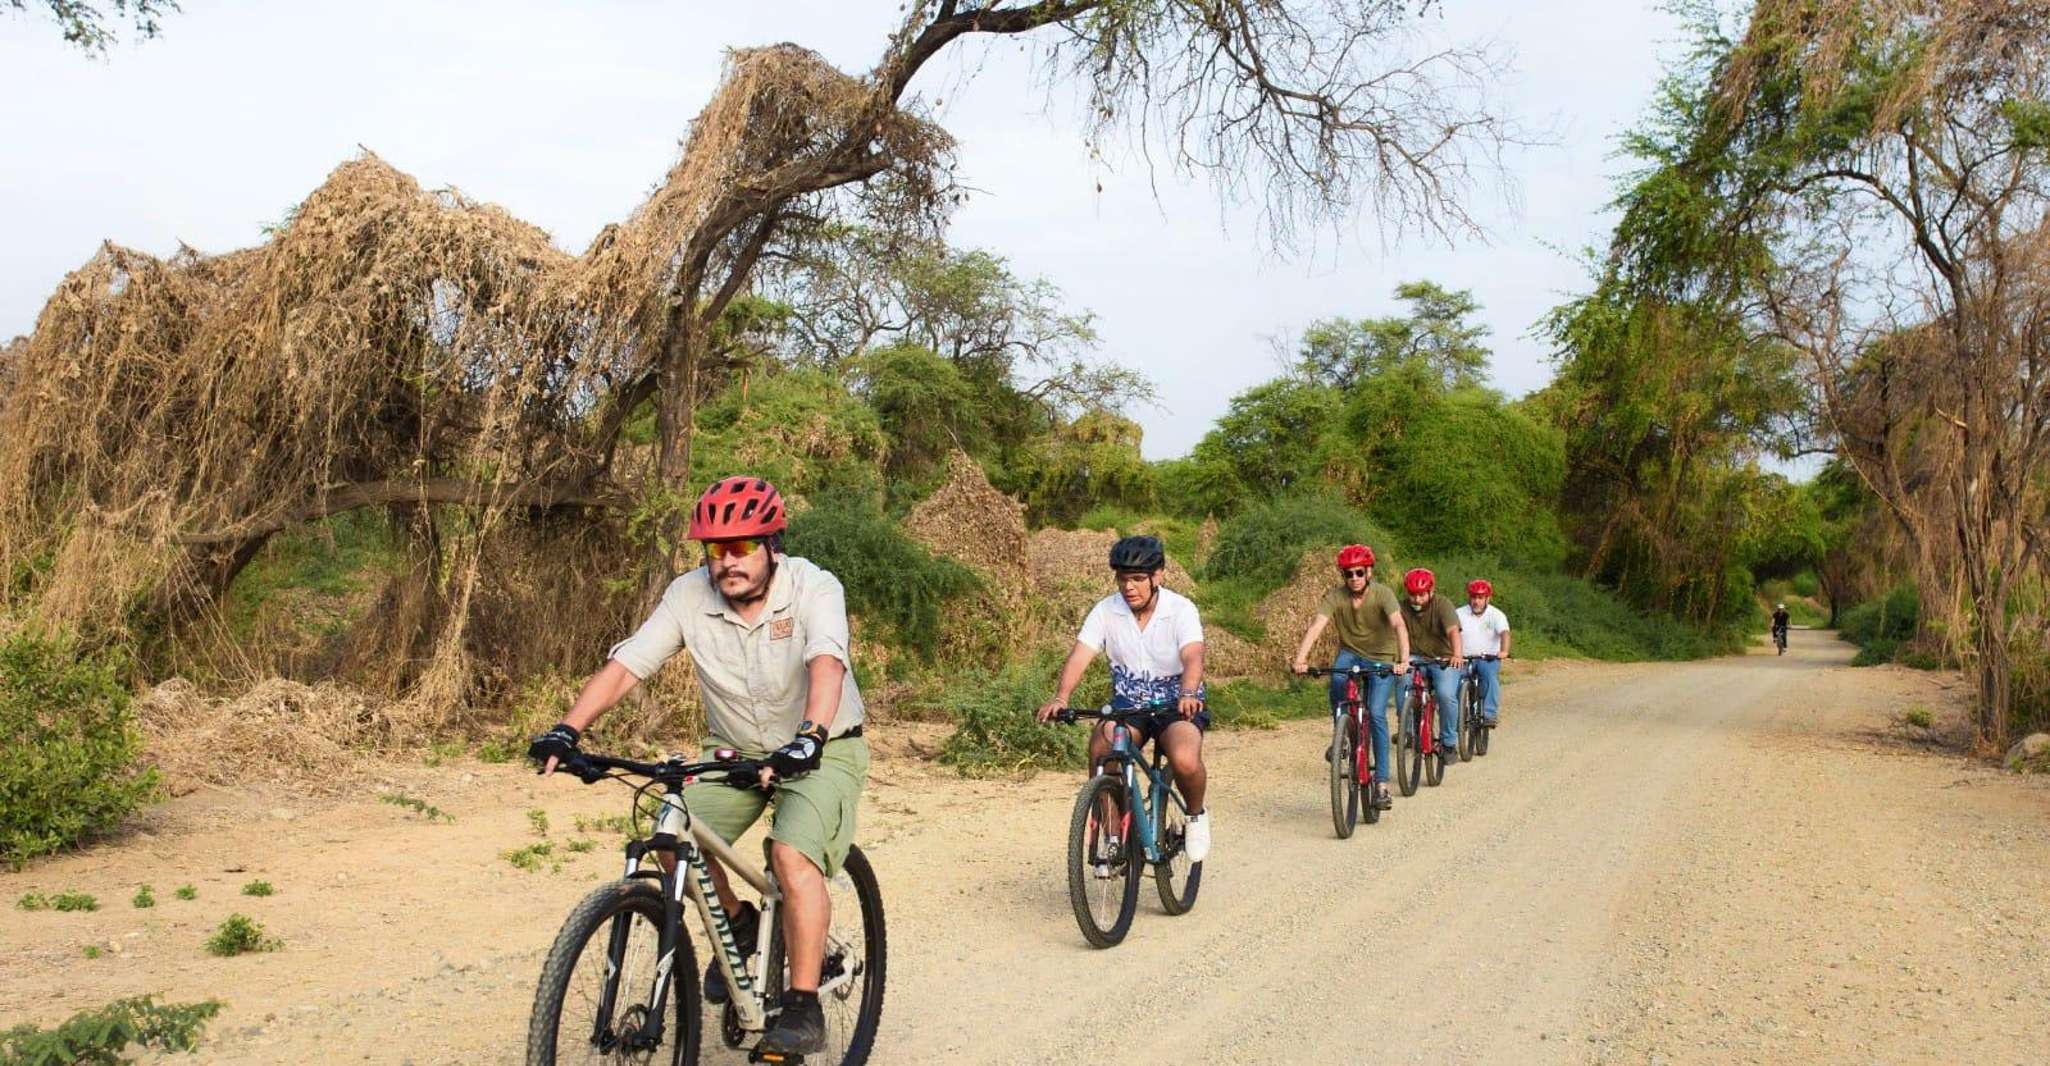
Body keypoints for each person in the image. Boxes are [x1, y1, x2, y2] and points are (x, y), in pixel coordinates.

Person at [526, 476, 866, 1057]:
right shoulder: (688, 596)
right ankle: (735, 922)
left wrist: (808, 737)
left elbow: (827, 664)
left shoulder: (814, 587)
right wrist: (568, 727)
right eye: (716, 550)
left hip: (821, 745)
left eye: (740, 548)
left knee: (791, 856)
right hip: (735, 749)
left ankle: (805, 1004)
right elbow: (628, 666)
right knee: (668, 829)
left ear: (771, 546)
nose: (727, 562)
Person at [1036, 534, 1211, 864]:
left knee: (1185, 759)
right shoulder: (1106, 611)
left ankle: (1197, 816)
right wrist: (1061, 697)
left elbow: (1193, 655)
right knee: (1102, 749)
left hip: (1176, 704)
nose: (1128, 587)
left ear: (1157, 576)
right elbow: (1080, 655)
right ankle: (1113, 833)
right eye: (1122, 578)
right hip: (1129, 704)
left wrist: (1188, 692)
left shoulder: (1181, 609)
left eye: (1137, 579)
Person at [1292, 543, 1409, 810]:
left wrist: (1403, 660)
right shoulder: (1336, 596)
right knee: (1336, 680)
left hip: (1382, 657)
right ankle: (1341, 734)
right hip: (1351, 653)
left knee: (1377, 714)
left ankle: (1381, 785)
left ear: (1369, 572)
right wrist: (1301, 658)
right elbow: (1316, 626)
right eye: (1348, 574)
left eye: (1359, 572)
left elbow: (1399, 625)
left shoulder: (1383, 594)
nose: (1354, 578)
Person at [1399, 568, 1465, 765]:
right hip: (1414, 657)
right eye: (1412, 595)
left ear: (1431, 591)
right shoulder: (1401, 607)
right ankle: (1407, 730)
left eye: (1421, 595)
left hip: (1443, 658)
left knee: (1445, 694)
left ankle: (1448, 743)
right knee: (1402, 681)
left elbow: (1454, 631)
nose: (1417, 600)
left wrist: (1457, 655)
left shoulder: (1443, 604)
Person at [1456, 579, 1512, 727]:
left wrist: (1504, 651)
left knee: (1488, 676)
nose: (1476, 601)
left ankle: (1489, 713)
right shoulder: (1459, 613)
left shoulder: (1496, 615)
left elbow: (1504, 633)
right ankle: (1457, 713)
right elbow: (1450, 633)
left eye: (1480, 598)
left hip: (1488, 658)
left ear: (1488, 598)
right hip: (1463, 658)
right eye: (1474, 597)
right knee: (1452, 681)